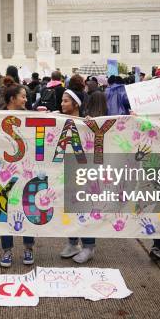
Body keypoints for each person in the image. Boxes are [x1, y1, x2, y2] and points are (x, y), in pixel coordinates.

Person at [57, 88, 95, 262]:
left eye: (65, 101)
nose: (62, 103)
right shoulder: (58, 118)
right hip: (65, 171)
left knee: (84, 208)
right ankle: (72, 243)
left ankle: (89, 246)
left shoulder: (86, 122)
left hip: (83, 171)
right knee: (69, 208)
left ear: (76, 104)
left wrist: (91, 125)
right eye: (62, 101)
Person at [0, 84, 35, 267]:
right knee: (4, 209)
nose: (26, 100)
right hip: (4, 172)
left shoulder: (31, 115)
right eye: (23, 96)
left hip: (26, 171)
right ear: (12, 98)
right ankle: (7, 250)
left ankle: (28, 248)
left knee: (27, 207)